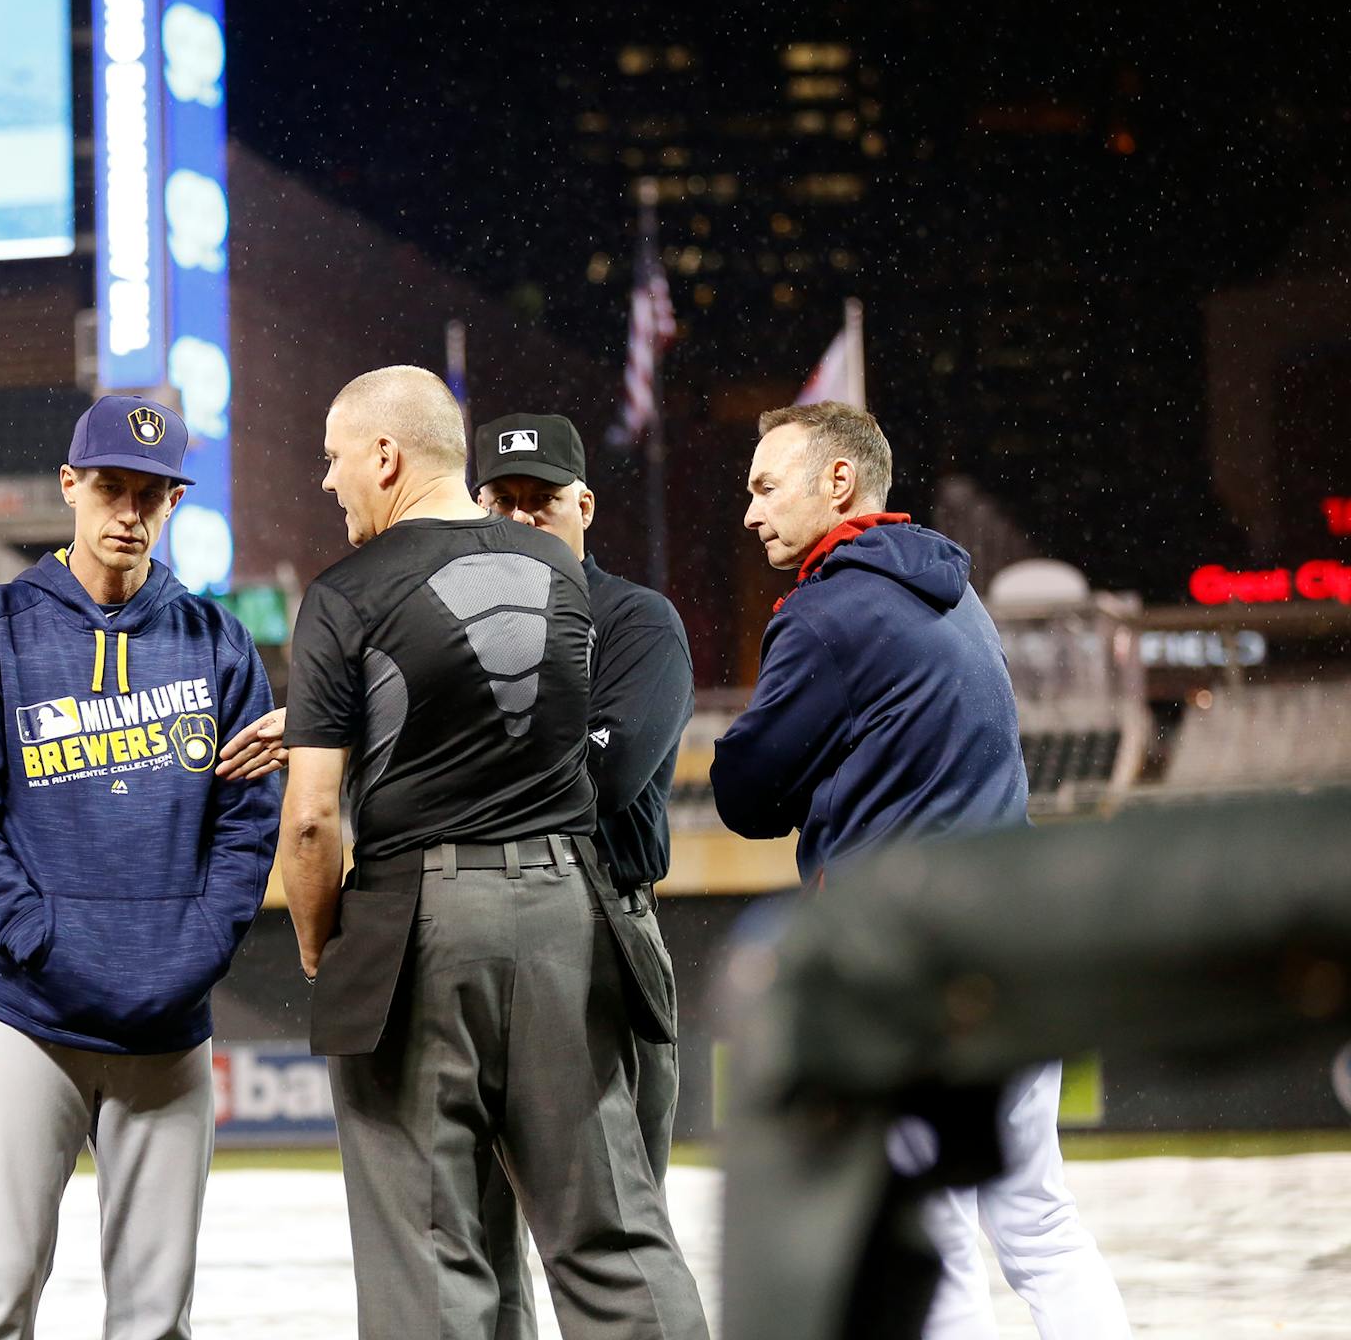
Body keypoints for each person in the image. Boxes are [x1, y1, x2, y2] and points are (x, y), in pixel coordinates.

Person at [271, 365, 708, 1340]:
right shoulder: (556, 572)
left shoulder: (345, 592)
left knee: (434, 1253)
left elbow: (309, 822)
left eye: (336, 459)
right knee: (614, 1235)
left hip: (419, 919)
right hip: (566, 905)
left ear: (385, 457)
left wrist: (317, 939)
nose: (330, 481)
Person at [709, 400, 1130, 1340]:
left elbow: (744, 791)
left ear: (839, 483)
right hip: (1018, 930)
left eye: (765, 486)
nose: (750, 511)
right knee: (1037, 1220)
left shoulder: (827, 613)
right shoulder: (953, 589)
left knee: (927, 1230)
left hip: (916, 952)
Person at [0, 394, 282, 1340]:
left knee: (156, 1318)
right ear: (70, 486)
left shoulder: (217, 643)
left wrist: (194, 950)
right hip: (23, 1012)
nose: (130, 513)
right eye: (112, 489)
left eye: (152, 496)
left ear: (172, 506)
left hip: (167, 1018)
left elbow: (247, 825)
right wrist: (44, 943)